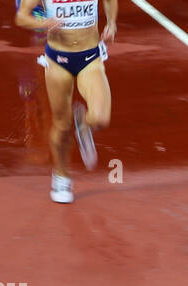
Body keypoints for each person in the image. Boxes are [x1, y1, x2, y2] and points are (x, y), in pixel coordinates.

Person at [15, 0, 116, 204]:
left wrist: (112, 22)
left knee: (100, 117)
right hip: (58, 61)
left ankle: (84, 125)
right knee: (62, 125)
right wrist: (43, 23)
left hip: (90, 58)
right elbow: (21, 16)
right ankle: (61, 176)